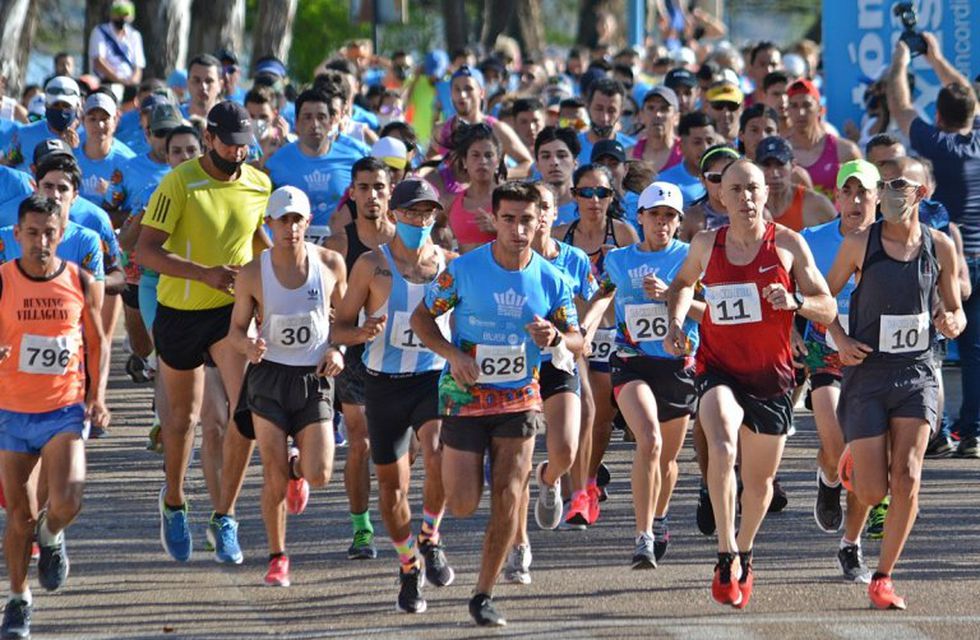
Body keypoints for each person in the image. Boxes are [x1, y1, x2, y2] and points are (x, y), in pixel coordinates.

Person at [410, 181, 582, 627]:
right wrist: (452, 355)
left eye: (527, 219)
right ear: (495, 220)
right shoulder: (464, 271)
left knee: (508, 495)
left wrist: (558, 338)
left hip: (520, 398)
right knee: (464, 503)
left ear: (539, 221)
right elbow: (421, 317)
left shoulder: (552, 278)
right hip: (466, 395)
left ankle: (483, 594)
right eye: (509, 219)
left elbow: (578, 339)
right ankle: (445, 506)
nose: (518, 229)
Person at [666, 158, 835, 608]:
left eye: (753, 189)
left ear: (765, 194)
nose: (745, 198)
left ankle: (744, 549)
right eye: (735, 189)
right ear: (721, 196)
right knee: (721, 442)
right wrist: (677, 321)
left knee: (759, 485)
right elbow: (682, 283)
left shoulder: (788, 245)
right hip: (717, 368)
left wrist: (796, 300)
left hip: (772, 377)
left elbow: (828, 307)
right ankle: (724, 553)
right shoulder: (706, 242)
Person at [136, 101, 272, 564]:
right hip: (179, 310)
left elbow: (257, 238)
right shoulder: (181, 182)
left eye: (245, 146)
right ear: (210, 138)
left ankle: (225, 516)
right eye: (230, 145)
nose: (239, 154)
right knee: (182, 421)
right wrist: (202, 273)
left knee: (247, 412)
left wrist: (283, 269)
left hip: (229, 314)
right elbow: (146, 251)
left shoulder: (258, 182)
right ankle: (173, 500)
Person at [827, 157, 965, 609]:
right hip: (868, 372)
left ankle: (883, 578)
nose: (888, 192)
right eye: (883, 184)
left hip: (918, 372)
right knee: (872, 490)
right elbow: (822, 298)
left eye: (898, 185)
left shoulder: (940, 246)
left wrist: (952, 322)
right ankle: (854, 465)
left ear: (920, 194)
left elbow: (955, 310)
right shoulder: (858, 245)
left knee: (907, 476)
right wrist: (841, 340)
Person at [333, 179, 457, 613]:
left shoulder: (450, 265)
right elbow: (339, 326)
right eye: (411, 213)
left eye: (427, 213)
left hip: (433, 378)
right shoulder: (371, 265)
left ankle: (431, 536)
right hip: (383, 383)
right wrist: (360, 333)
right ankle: (408, 566)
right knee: (391, 487)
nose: (419, 221)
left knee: (439, 451)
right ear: (394, 215)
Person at [0, 195, 109, 640]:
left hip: (64, 406)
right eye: (32, 233)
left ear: (61, 235)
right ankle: (19, 599)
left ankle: (52, 535)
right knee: (18, 515)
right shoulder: (3, 281)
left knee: (67, 502)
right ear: (17, 235)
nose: (41, 241)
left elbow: (98, 342)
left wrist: (97, 397)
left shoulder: (79, 281)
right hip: (11, 410)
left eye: (49, 233)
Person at [228, 186, 343, 588]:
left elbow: (343, 319)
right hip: (270, 377)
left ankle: (300, 470)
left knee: (321, 472)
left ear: (307, 223)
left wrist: (340, 349)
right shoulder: (252, 273)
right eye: (283, 221)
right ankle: (278, 557)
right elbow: (235, 332)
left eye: (297, 220)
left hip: (313, 378)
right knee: (271, 473)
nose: (291, 228)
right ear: (270, 225)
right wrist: (248, 344)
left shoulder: (330, 264)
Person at [582, 181, 701, 566]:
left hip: (677, 363)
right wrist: (585, 331)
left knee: (665, 458)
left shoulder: (691, 257)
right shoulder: (618, 259)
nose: (661, 224)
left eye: (669, 217)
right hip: (630, 360)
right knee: (647, 440)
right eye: (654, 216)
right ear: (641, 217)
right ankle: (643, 536)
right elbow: (603, 295)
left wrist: (671, 295)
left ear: (679, 221)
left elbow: (711, 311)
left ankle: (661, 516)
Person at [885, 35, 980, 459]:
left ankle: (935, 427)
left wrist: (903, 59)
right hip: (973, 256)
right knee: (974, 350)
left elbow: (900, 105)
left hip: (945, 257)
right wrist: (937, 57)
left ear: (938, 115)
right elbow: (970, 101)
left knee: (930, 345)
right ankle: (972, 430)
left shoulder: (935, 144)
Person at [505, 183, 596, 581]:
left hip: (558, 361)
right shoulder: (501, 260)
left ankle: (550, 478)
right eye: (529, 208)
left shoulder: (572, 261)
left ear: (554, 214)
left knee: (565, 451)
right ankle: (519, 546)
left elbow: (598, 297)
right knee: (516, 459)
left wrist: (577, 333)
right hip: (513, 366)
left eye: (544, 207)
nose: (537, 214)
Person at [799, 159, 880, 584]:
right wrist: (798, 331)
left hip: (875, 358)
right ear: (836, 198)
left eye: (862, 193)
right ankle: (827, 477)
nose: (854, 200)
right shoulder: (813, 240)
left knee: (862, 453)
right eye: (847, 192)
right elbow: (805, 293)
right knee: (835, 443)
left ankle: (852, 546)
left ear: (877, 197)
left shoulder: (892, 241)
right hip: (826, 351)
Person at [557, 164, 638, 529]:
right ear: (574, 196)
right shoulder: (562, 237)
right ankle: (572, 484)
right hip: (570, 337)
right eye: (586, 193)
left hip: (607, 335)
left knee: (601, 415)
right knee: (574, 414)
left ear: (611, 197)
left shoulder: (622, 233)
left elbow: (636, 280)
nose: (594, 201)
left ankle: (586, 481)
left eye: (602, 193)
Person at [323, 157, 396, 560]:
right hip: (354, 353)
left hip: (403, 357)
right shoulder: (339, 244)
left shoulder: (406, 240)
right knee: (360, 440)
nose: (372, 195)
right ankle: (362, 528)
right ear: (353, 193)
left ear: (391, 190)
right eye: (364, 188)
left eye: (379, 187)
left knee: (407, 447)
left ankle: (398, 513)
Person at [264, 89, 369, 234]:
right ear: (296, 123)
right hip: (293, 250)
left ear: (331, 121)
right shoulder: (275, 163)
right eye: (307, 117)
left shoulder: (353, 160)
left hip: (341, 251)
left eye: (321, 117)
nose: (315, 124)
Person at [785, 79, 861, 197]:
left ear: (820, 110)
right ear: (787, 111)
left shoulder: (846, 151)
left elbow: (866, 195)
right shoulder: (780, 154)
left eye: (807, 105)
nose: (800, 112)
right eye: (794, 106)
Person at [444, 124, 504, 253]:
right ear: (465, 161)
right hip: (463, 273)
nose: (482, 161)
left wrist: (499, 229)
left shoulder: (510, 199)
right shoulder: (451, 202)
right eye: (475, 155)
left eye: (488, 155)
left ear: (498, 162)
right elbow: (434, 226)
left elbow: (529, 237)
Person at [3, 77, 83, 172]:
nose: (60, 110)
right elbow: (8, 164)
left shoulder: (87, 137)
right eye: (55, 105)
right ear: (46, 105)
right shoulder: (24, 134)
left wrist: (73, 151)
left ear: (77, 106)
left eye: (66, 106)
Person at [757, 136, 837, 231]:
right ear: (756, 168)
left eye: (780, 165)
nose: (774, 174)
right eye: (766, 166)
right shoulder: (749, 205)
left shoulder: (816, 204)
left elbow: (844, 240)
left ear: (793, 165)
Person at [76, 91, 136, 208]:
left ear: (116, 120)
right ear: (83, 120)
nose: (99, 125)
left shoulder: (128, 161)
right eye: (92, 119)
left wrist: (112, 196)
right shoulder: (70, 156)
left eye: (105, 119)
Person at [87, 0, 145, 100]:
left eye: (125, 15)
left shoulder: (134, 35)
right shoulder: (100, 32)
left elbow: (138, 65)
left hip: (130, 84)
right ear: (112, 15)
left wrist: (132, 83)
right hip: (106, 82)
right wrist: (119, 80)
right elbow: (98, 61)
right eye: (119, 14)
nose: (122, 18)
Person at [680, 144, 739, 242]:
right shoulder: (690, 219)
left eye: (729, 177)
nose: (723, 183)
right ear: (702, 180)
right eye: (715, 178)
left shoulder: (757, 214)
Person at [658, 111, 717, 207]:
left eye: (710, 141)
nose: (705, 148)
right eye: (697, 142)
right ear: (681, 146)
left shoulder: (726, 178)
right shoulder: (665, 183)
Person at [577, 78, 636, 164]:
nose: (604, 118)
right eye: (599, 109)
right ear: (587, 107)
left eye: (611, 111)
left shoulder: (633, 150)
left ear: (621, 112)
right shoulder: (572, 148)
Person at [534, 127, 580, 226]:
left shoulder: (589, 205)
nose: (554, 162)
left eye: (562, 156)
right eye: (546, 156)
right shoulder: (527, 208)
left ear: (575, 162)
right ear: (537, 165)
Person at [631, 87, 683, 174]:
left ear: (676, 118)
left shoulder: (685, 156)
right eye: (651, 108)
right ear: (641, 115)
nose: (657, 114)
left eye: (664, 109)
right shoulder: (630, 155)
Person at [182, 55, 224, 120]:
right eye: (196, 80)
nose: (203, 87)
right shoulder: (175, 118)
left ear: (220, 85)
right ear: (187, 83)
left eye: (209, 81)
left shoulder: (229, 121)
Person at [703, 82, 744, 146]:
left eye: (732, 106)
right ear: (706, 107)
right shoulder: (697, 149)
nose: (726, 113)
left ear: (742, 108)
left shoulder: (752, 148)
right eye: (718, 105)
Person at [746, 42, 782, 107]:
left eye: (773, 65)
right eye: (762, 64)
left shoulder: (790, 106)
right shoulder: (741, 106)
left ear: (782, 69)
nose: (768, 70)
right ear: (751, 70)